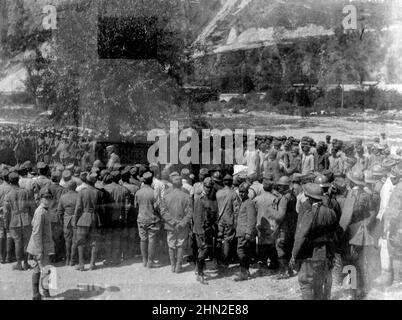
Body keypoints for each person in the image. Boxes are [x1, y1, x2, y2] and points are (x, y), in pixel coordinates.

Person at [290, 183, 338, 300]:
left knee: (305, 283)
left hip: (310, 254)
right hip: (325, 253)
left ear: (310, 198)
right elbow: (333, 234)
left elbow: (301, 236)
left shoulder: (309, 213)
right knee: (318, 284)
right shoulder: (331, 212)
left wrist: (294, 255)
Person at [340, 169, 376, 299]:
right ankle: (361, 289)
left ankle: (352, 291)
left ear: (351, 181)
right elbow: (371, 211)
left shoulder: (352, 195)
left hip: (351, 232)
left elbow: (346, 217)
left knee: (350, 261)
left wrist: (340, 232)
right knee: (359, 261)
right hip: (361, 231)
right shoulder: (367, 195)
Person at [27, 188, 55, 300]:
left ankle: (36, 294)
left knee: (37, 270)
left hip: (39, 245)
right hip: (40, 247)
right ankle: (45, 294)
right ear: (40, 198)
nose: (47, 200)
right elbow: (37, 232)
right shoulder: (41, 212)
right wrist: (39, 251)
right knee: (46, 270)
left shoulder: (45, 210)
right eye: (45, 197)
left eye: (49, 197)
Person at [4, 172, 35, 271]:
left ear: (9, 181)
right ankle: (25, 263)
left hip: (14, 220)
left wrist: (6, 224)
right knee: (26, 243)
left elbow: (6, 212)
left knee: (17, 243)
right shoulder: (26, 192)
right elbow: (32, 207)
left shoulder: (8, 195)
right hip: (26, 220)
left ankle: (18, 264)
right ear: (18, 180)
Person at [73, 173, 104, 271]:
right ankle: (92, 264)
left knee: (80, 242)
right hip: (95, 218)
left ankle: (81, 265)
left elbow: (78, 208)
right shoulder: (99, 192)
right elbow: (101, 208)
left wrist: (75, 219)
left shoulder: (82, 192)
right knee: (94, 242)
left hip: (83, 218)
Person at [161, 175, 192, 273]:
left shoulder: (166, 196)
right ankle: (179, 266)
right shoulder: (186, 197)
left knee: (171, 245)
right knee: (181, 245)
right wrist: (181, 223)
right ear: (181, 185)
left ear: (172, 185)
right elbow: (189, 213)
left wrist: (173, 222)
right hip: (182, 226)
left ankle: (173, 266)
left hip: (170, 225)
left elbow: (163, 212)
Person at [192, 177, 218, 284]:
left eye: (210, 187)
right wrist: (201, 230)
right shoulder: (200, 199)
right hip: (201, 229)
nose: (209, 189)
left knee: (201, 250)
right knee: (203, 250)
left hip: (206, 228)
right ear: (203, 186)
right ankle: (200, 274)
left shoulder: (208, 197)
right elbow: (197, 217)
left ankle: (199, 272)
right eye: (207, 187)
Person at [103, 171, 131, 266]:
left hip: (107, 218)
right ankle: (115, 259)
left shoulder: (105, 189)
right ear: (119, 179)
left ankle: (107, 258)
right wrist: (125, 218)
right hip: (119, 217)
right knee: (117, 238)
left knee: (107, 238)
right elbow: (127, 207)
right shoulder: (124, 190)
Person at [273, 176, 298, 279]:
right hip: (292, 227)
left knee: (280, 248)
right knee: (288, 248)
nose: (278, 187)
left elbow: (280, 216)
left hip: (284, 228)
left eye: (280, 186)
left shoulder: (284, 198)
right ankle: (290, 270)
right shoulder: (293, 195)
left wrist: (275, 228)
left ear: (284, 186)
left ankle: (283, 272)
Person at [135, 172, 161, 268]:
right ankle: (150, 261)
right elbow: (157, 207)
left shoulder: (138, 192)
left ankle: (144, 260)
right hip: (152, 219)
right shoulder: (154, 193)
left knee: (143, 239)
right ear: (151, 181)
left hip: (141, 218)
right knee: (152, 240)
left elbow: (136, 206)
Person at [253, 175, 279, 273]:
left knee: (261, 242)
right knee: (272, 243)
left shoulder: (257, 199)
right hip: (271, 224)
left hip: (260, 223)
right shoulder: (275, 199)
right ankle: (273, 262)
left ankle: (262, 262)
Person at [234, 182, 257, 281]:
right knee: (244, 252)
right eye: (240, 192)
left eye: (243, 192)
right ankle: (245, 271)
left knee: (241, 252)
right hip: (241, 231)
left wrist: (248, 232)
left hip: (244, 232)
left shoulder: (249, 203)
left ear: (247, 192)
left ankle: (243, 272)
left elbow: (252, 219)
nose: (241, 194)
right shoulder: (243, 202)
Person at [216, 174, 237, 273]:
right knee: (227, 240)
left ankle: (218, 259)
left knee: (219, 239)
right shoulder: (233, 194)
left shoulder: (218, 193)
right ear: (231, 182)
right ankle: (225, 261)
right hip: (229, 219)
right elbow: (236, 210)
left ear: (223, 182)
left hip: (219, 219)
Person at [57, 180, 78, 266]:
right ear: (75, 187)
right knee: (74, 241)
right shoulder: (78, 195)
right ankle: (73, 260)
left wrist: (61, 221)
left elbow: (59, 211)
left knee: (67, 241)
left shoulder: (63, 197)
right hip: (76, 220)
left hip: (66, 220)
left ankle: (67, 259)